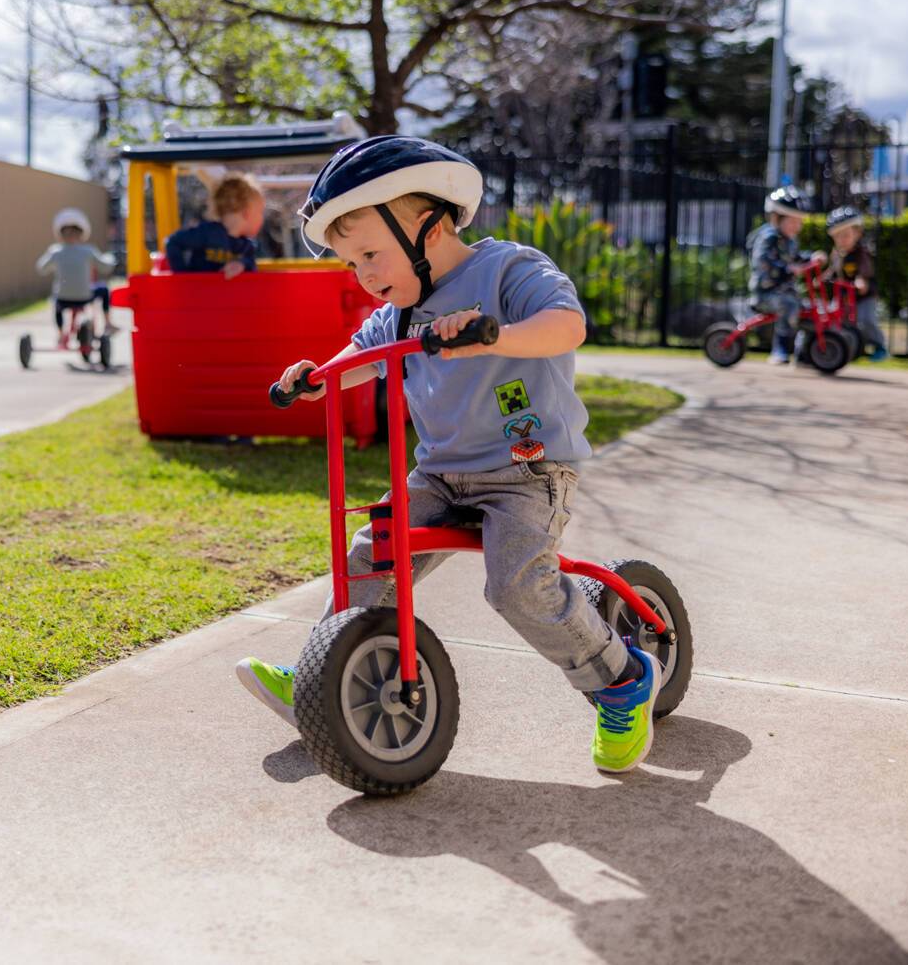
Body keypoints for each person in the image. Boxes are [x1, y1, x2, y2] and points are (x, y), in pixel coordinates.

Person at [236, 136, 662, 774]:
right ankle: (325, 672)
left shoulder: (506, 270)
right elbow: (356, 361)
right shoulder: (399, 311)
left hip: (527, 470)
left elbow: (567, 324)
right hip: (440, 475)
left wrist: (497, 335)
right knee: (370, 551)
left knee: (517, 586)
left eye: (372, 255)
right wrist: (318, 377)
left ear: (429, 228)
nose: (367, 276)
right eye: (353, 265)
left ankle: (622, 678)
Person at [747, 185, 825, 366]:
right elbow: (762, 262)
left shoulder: (790, 241)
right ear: (776, 218)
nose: (797, 227)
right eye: (792, 222)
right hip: (766, 293)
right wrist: (787, 269)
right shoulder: (768, 238)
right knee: (788, 306)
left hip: (787, 292)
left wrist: (812, 257)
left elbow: (797, 258)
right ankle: (779, 349)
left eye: (799, 223)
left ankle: (806, 353)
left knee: (812, 312)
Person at [164, 174, 265, 278]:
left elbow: (251, 268)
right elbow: (173, 242)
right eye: (260, 212)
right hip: (199, 292)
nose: (262, 218)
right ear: (246, 213)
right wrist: (183, 276)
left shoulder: (247, 247)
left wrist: (242, 264)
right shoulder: (206, 233)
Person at [36, 208, 115, 338]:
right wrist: (110, 259)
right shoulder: (88, 250)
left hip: (62, 298)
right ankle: (107, 322)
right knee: (104, 289)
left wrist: (55, 266)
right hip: (85, 296)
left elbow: (41, 268)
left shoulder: (55, 251)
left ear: (60, 234)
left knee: (56, 303)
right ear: (81, 233)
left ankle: (61, 334)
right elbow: (105, 267)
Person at [825, 206, 889, 361]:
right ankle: (838, 346)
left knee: (865, 318)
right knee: (832, 316)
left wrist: (861, 280)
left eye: (846, 235)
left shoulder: (861, 253)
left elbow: (864, 270)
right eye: (838, 236)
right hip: (844, 295)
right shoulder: (836, 254)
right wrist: (822, 278)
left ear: (857, 234)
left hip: (863, 296)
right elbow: (832, 271)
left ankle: (879, 346)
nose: (842, 239)